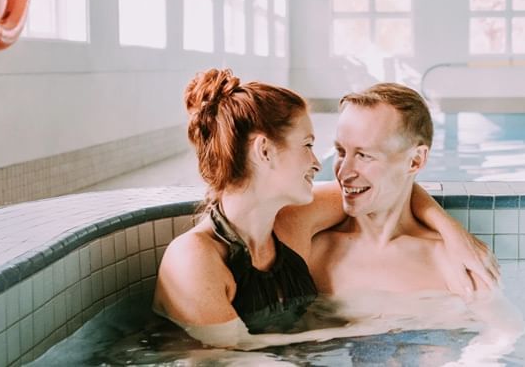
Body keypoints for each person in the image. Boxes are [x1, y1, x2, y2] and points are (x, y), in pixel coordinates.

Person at [152, 69, 496, 350]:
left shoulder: (291, 225)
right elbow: (235, 356)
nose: (321, 164)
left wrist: (454, 233)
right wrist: (362, 330)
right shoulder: (193, 259)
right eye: (308, 145)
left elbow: (391, 188)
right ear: (265, 151)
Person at [306, 83, 525, 362]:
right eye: (340, 151)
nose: (344, 172)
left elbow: (505, 330)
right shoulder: (315, 254)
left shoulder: (450, 261)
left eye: (364, 155)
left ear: (415, 161)